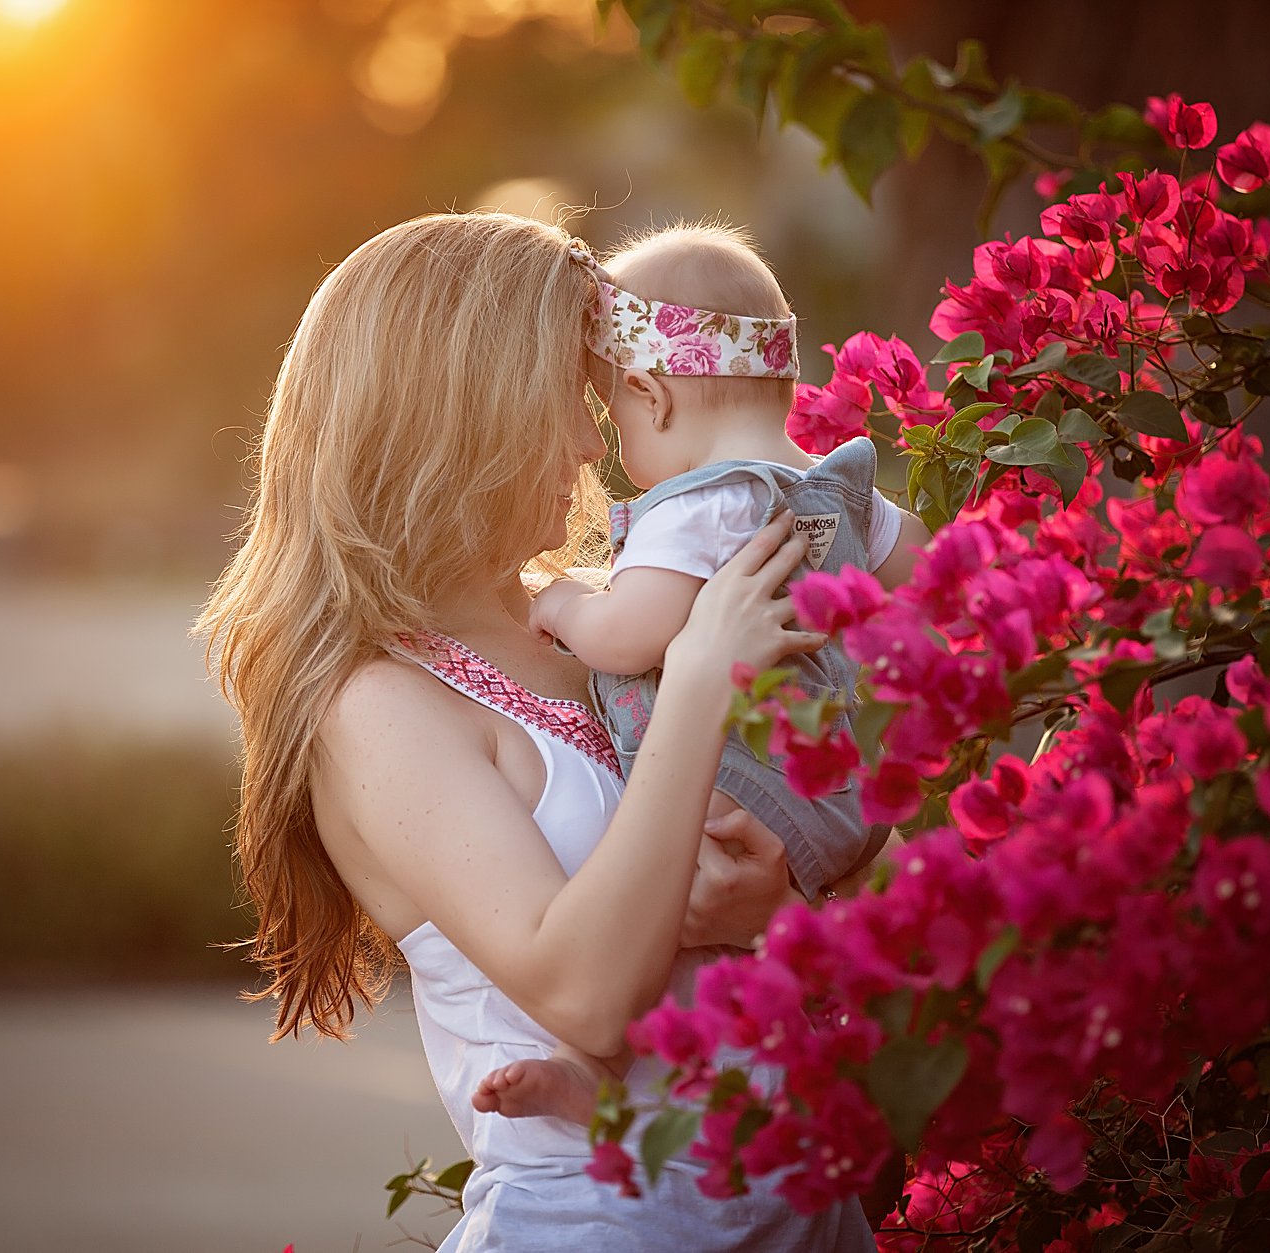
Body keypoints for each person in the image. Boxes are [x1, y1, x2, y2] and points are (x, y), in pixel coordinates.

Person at [196, 211, 878, 1251]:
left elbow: (844, 848)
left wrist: (781, 911)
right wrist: (698, 682)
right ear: (459, 415)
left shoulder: (609, 614)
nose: (584, 439)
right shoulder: (378, 705)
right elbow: (587, 994)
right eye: (563, 396)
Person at [471, 224, 930, 1128]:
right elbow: (922, 567)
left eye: (613, 414)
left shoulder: (699, 503)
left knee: (628, 889)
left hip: (734, 781)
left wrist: (565, 603)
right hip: (834, 797)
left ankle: (590, 1064)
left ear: (652, 394)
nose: (606, 446)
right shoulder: (834, 489)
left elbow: (630, 631)